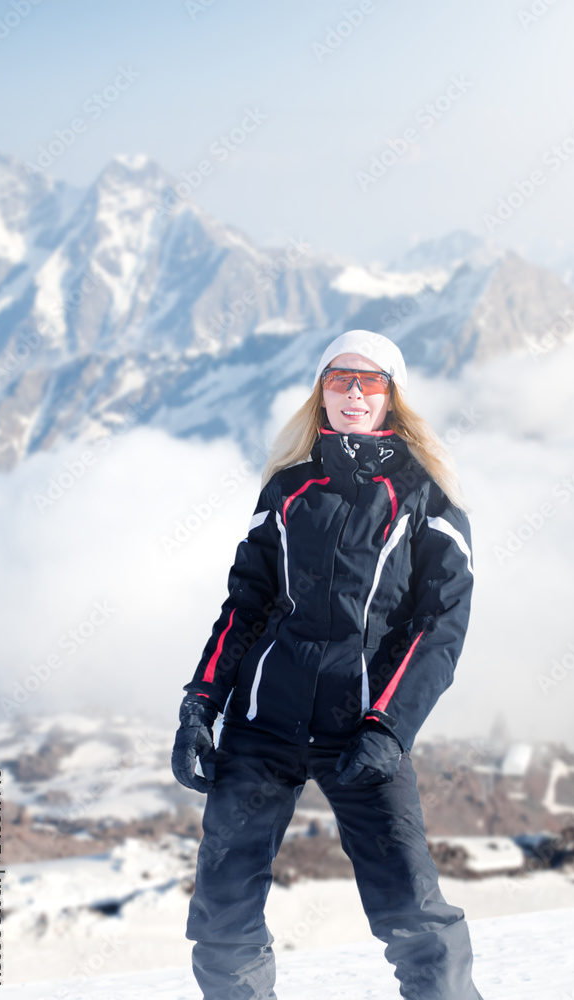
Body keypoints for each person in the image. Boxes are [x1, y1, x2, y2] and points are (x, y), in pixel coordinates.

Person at [171, 329, 484, 1000]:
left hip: (362, 732)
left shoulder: (426, 501)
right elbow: (245, 607)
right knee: (222, 911)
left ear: (391, 399)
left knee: (413, 916)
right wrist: (200, 706)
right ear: (321, 391)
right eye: (339, 378)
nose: (352, 392)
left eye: (369, 382)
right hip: (263, 726)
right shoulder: (286, 489)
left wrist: (387, 728)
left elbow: (440, 628)